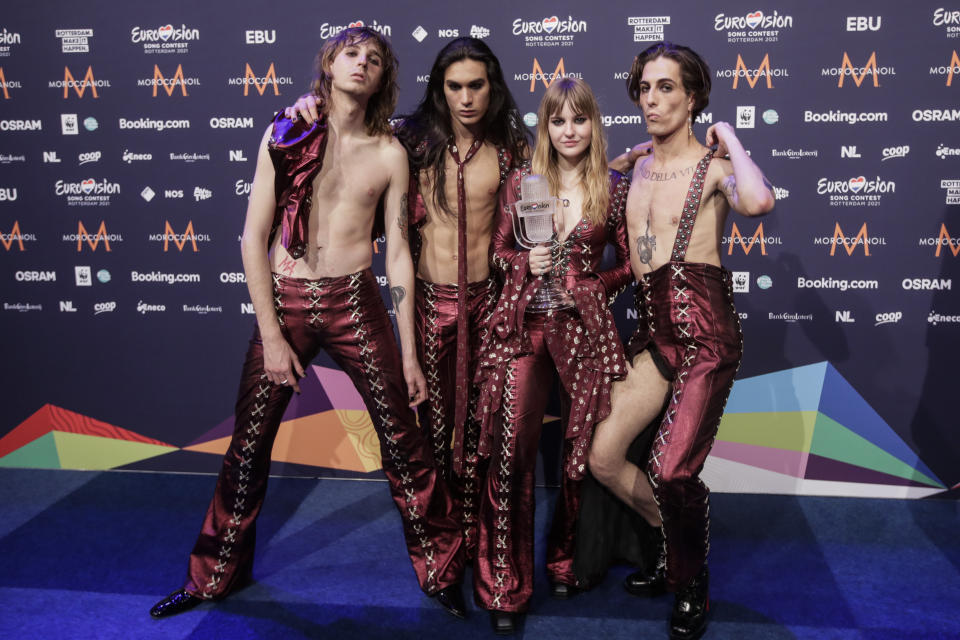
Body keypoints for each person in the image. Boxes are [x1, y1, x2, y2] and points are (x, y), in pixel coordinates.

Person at [149, 27, 465, 619]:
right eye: (352, 53)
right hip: (288, 302)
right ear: (329, 61)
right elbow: (252, 237)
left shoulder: (391, 151)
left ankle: (442, 570)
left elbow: (397, 251)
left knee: (403, 441)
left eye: (374, 58)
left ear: (382, 76)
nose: (362, 64)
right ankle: (211, 578)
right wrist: (271, 334)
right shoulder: (286, 132)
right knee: (247, 449)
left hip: (355, 300)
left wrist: (410, 353)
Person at [288, 38, 530, 610]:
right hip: (427, 306)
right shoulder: (411, 139)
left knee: (489, 438)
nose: (466, 97)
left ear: (491, 87)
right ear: (439, 89)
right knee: (429, 438)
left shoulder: (512, 147)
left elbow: (556, 190)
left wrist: (626, 161)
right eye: (455, 86)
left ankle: (492, 565)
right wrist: (306, 105)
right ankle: (447, 558)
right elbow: (345, 117)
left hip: (491, 308)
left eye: (476, 85)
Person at [587, 41, 775, 640]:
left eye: (666, 87)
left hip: (706, 338)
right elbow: (593, 174)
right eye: (644, 87)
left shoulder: (714, 168)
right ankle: (676, 544)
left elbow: (759, 201)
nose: (651, 98)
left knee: (672, 472)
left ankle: (690, 578)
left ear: (692, 96)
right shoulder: (635, 165)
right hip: (654, 335)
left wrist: (730, 137)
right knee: (603, 458)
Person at [472, 77, 632, 634]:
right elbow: (495, 250)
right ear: (546, 125)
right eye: (558, 120)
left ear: (594, 124)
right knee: (511, 450)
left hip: (583, 331)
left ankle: (567, 562)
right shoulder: (521, 180)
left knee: (578, 457)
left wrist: (594, 283)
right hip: (523, 329)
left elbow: (630, 264)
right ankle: (504, 588)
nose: (569, 131)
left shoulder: (614, 185)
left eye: (579, 120)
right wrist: (522, 263)